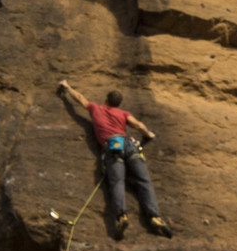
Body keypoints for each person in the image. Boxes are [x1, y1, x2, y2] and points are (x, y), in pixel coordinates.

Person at [57, 79, 172, 238]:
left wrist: (67, 87)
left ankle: (121, 216)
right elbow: (138, 125)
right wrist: (149, 134)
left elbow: (80, 98)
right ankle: (155, 217)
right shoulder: (123, 114)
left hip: (112, 147)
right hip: (128, 145)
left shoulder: (96, 109)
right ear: (118, 104)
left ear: (106, 100)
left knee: (117, 182)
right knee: (144, 181)